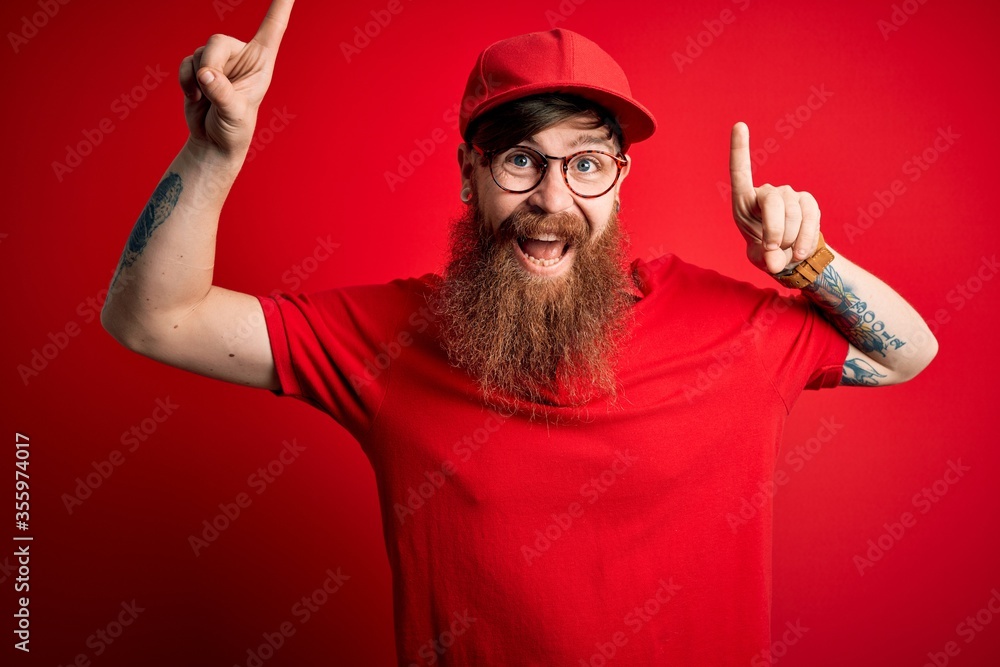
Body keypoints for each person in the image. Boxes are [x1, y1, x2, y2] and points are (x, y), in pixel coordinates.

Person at [101, 1, 937, 664]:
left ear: (618, 182)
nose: (551, 197)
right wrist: (214, 155)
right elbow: (154, 318)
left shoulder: (727, 323)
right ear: (470, 173)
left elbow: (905, 352)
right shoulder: (390, 337)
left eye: (585, 162)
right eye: (519, 159)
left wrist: (809, 262)